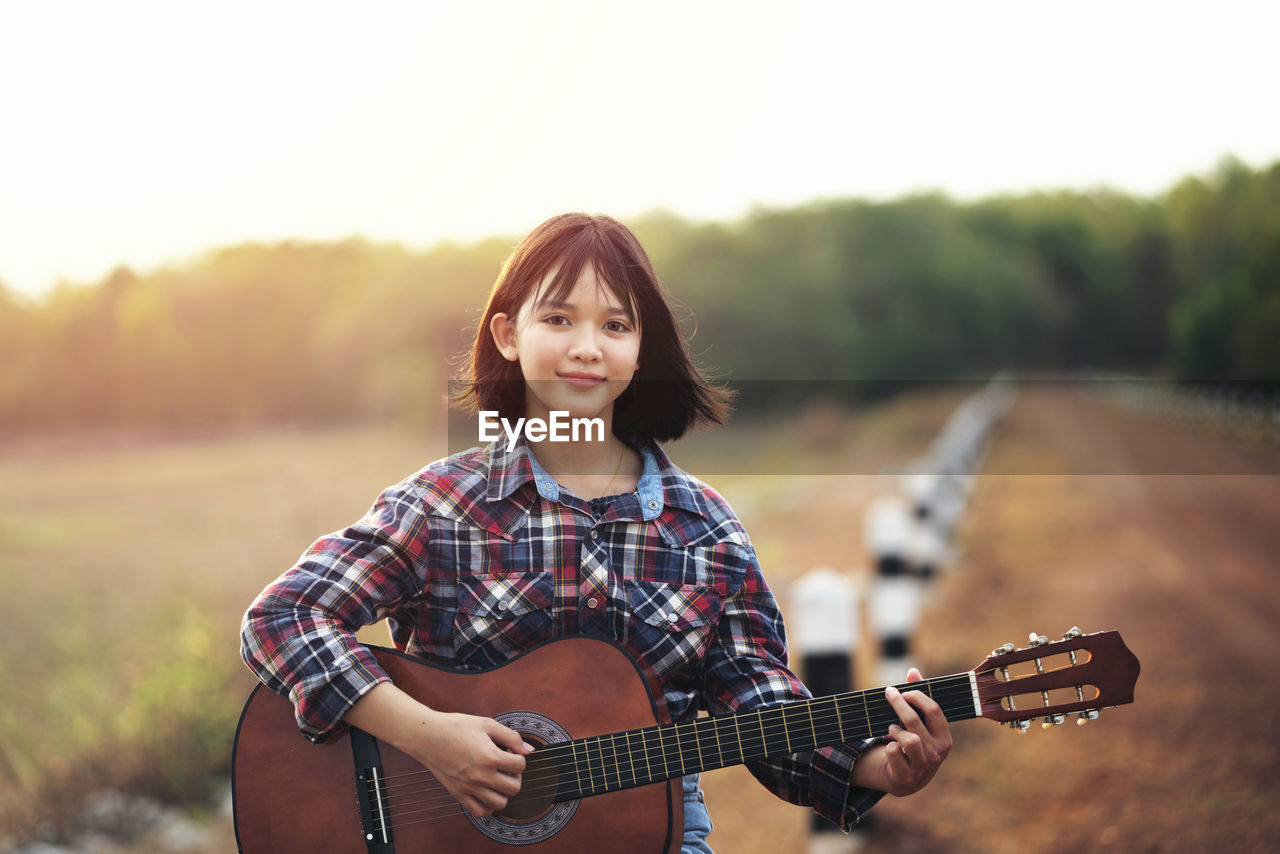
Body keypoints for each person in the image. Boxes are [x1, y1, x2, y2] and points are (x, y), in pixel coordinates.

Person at [240, 213, 951, 853]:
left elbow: (758, 703)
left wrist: (880, 765)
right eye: (559, 319)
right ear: (507, 335)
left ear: (641, 351)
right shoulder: (443, 505)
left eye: (615, 325)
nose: (587, 347)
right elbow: (282, 618)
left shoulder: (705, 531)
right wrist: (430, 738)